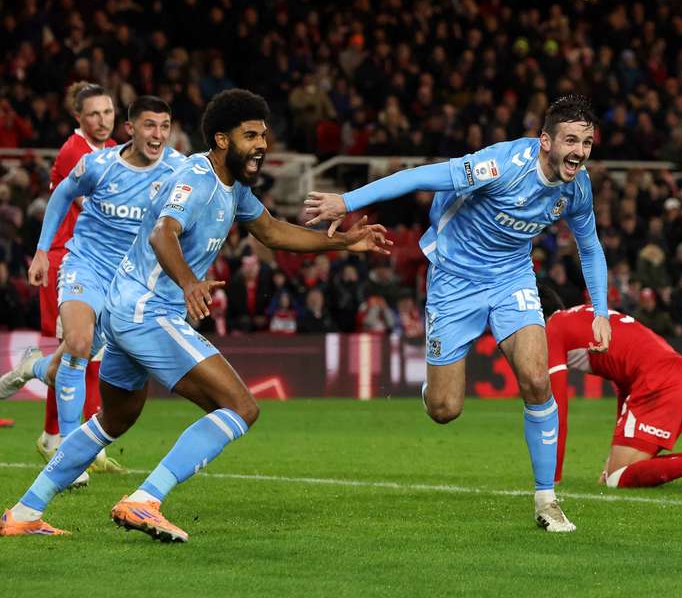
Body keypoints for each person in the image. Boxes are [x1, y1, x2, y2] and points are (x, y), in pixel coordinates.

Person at [0, 89, 391, 540]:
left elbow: (272, 232)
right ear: (222, 140)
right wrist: (189, 283)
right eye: (251, 135)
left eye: (264, 135)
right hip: (149, 312)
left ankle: (25, 511)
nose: (262, 144)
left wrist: (343, 242)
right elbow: (163, 235)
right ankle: (144, 501)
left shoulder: (234, 186)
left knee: (115, 419)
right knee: (241, 407)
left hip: (126, 309)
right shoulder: (196, 179)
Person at [305, 94, 611, 532]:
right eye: (570, 141)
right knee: (445, 409)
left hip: (512, 278)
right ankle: (435, 385)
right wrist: (347, 201)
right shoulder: (501, 165)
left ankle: (547, 500)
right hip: (454, 278)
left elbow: (590, 246)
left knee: (537, 379)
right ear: (545, 141)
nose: (579, 152)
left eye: (586, 142)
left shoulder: (577, 188)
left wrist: (600, 310)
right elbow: (417, 177)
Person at [0, 96, 182, 486]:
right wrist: (41, 253)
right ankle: (68, 453)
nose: (158, 135)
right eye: (150, 126)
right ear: (131, 129)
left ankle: (32, 367)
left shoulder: (178, 169)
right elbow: (62, 194)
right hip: (86, 266)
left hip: (130, 281)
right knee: (79, 344)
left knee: (76, 361)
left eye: (165, 126)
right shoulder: (98, 164)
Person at [540, 285, 682, 490]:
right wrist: (613, 453)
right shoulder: (584, 315)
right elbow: (624, 385)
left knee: (617, 478)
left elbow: (556, 410)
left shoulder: (552, 328)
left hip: (659, 383)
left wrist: (553, 477)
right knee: (619, 472)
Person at [28, 82, 116, 458]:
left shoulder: (113, 151)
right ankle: (74, 446)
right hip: (70, 261)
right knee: (78, 353)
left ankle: (59, 438)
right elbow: (99, 207)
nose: (102, 120)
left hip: (101, 262)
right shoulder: (73, 152)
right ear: (78, 116)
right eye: (93, 113)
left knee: (91, 353)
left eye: (108, 112)